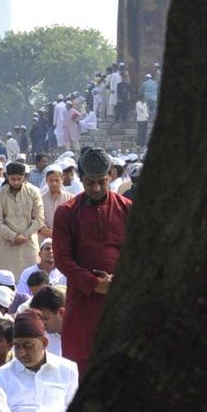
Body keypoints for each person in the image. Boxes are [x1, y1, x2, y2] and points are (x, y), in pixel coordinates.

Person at [53, 147, 132, 377]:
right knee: (81, 369)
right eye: (90, 183)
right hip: (82, 304)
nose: (96, 188)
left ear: (111, 176)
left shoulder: (127, 209)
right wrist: (94, 284)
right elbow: (63, 259)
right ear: (80, 178)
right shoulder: (66, 212)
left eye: (102, 182)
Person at [0, 309, 79, 412]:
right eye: (17, 347)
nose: (22, 353)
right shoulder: (1, 377)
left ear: (44, 343)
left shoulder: (67, 370)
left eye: (28, 346)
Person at [0, 161, 45, 282]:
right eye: (12, 179)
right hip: (6, 245)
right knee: (5, 282)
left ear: (24, 177)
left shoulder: (33, 192)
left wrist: (24, 235)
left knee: (32, 281)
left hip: (28, 244)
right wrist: (13, 236)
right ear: (7, 177)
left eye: (19, 179)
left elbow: (39, 219)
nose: (16, 182)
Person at [30, 286, 65, 356]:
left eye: (45, 318)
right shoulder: (38, 338)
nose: (41, 324)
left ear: (61, 312)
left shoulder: (82, 336)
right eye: (38, 318)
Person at [39, 164, 74, 236]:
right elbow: (37, 219)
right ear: (46, 181)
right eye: (51, 180)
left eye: (57, 180)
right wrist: (46, 230)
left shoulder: (70, 198)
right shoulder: (40, 199)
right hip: (45, 239)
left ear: (62, 180)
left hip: (65, 237)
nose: (54, 183)